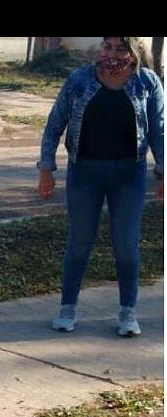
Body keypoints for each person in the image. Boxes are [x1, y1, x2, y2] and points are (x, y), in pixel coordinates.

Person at [38, 37, 163, 336]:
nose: (112, 53)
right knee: (79, 243)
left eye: (121, 48)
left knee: (126, 246)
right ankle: (67, 309)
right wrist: (46, 168)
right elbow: (55, 124)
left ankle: (127, 313)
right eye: (107, 46)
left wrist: (163, 172)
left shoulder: (147, 82)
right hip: (85, 173)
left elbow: (159, 129)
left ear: (134, 53)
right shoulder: (79, 79)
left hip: (129, 176)